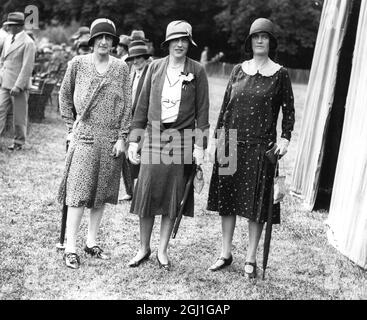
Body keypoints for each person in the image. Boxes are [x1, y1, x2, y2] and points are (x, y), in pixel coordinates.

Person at [207, 18, 295, 278]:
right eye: (255, 36)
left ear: (271, 41)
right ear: (250, 41)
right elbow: (225, 106)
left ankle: (250, 257)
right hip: (231, 143)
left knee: (256, 205)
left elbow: (289, 112)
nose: (259, 40)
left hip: (261, 147)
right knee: (228, 201)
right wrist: (218, 138)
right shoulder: (237, 70)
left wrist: (285, 139)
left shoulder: (280, 74)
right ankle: (225, 252)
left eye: (264, 37)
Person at [127, 20, 209, 270]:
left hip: (182, 139)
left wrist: (199, 146)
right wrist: (134, 141)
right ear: (168, 43)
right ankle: (144, 248)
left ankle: (162, 250)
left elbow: (203, 112)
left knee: (172, 196)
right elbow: (141, 107)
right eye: (176, 39)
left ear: (189, 43)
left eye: (184, 40)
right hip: (153, 136)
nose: (180, 44)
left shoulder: (198, 71)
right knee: (147, 193)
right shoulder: (154, 67)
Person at [57, 18, 132, 269]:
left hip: (110, 140)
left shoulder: (121, 68)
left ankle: (91, 243)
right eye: (99, 37)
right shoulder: (77, 64)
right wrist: (71, 128)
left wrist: (123, 137)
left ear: (114, 42)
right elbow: (64, 96)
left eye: (109, 38)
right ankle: (70, 247)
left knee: (100, 194)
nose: (104, 42)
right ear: (92, 40)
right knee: (78, 193)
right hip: (85, 137)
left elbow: (127, 105)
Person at [119, 30, 152, 201]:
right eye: (133, 58)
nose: (137, 60)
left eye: (140, 57)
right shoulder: (131, 73)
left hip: (145, 122)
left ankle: (141, 191)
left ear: (146, 57)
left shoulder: (151, 73)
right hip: (130, 119)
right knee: (126, 155)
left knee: (141, 155)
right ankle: (130, 191)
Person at [0, 12, 36, 151]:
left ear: (18, 26)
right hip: (5, 82)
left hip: (18, 86)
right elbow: (3, 59)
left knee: (19, 115)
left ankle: (19, 142)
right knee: (0, 110)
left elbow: (27, 67)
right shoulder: (8, 39)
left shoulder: (28, 43)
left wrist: (18, 86)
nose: (8, 28)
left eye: (11, 25)